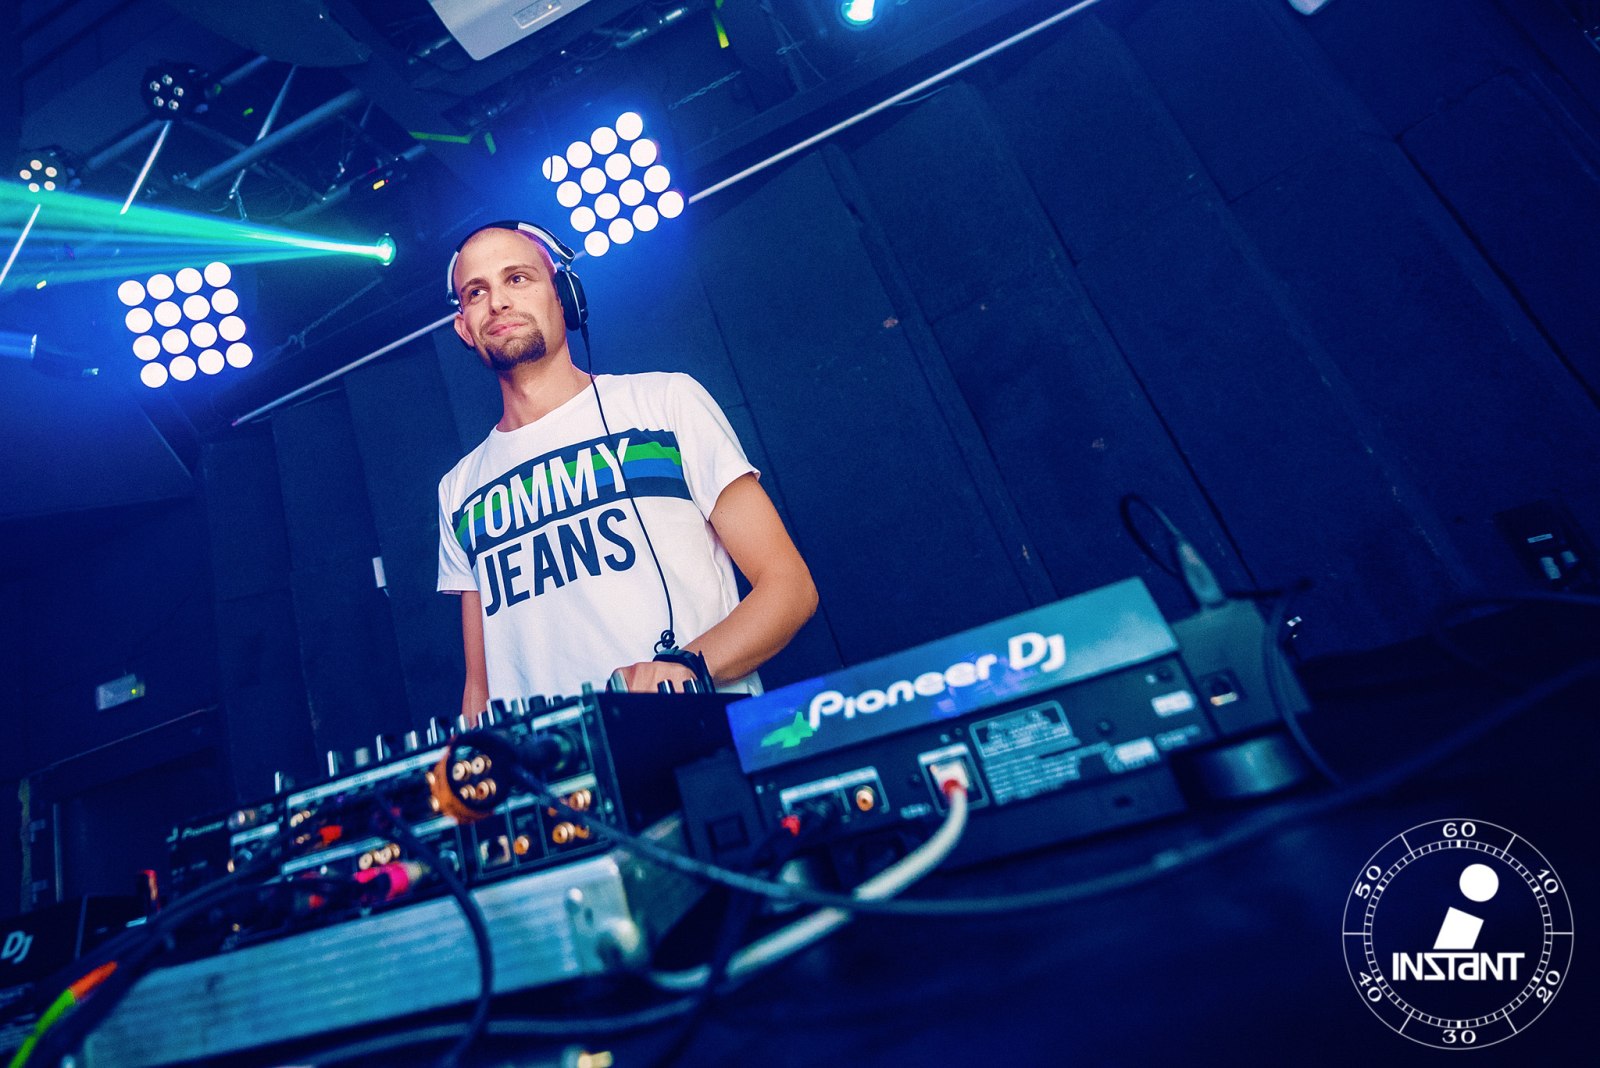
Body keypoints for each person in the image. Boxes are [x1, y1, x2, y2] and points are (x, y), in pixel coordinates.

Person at [436, 222, 817, 721]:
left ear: (564, 297)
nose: (499, 302)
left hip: (699, 740)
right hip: (561, 767)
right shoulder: (458, 489)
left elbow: (788, 588)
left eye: (517, 278)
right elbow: (479, 689)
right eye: (476, 292)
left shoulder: (665, 403)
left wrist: (683, 669)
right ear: (464, 328)